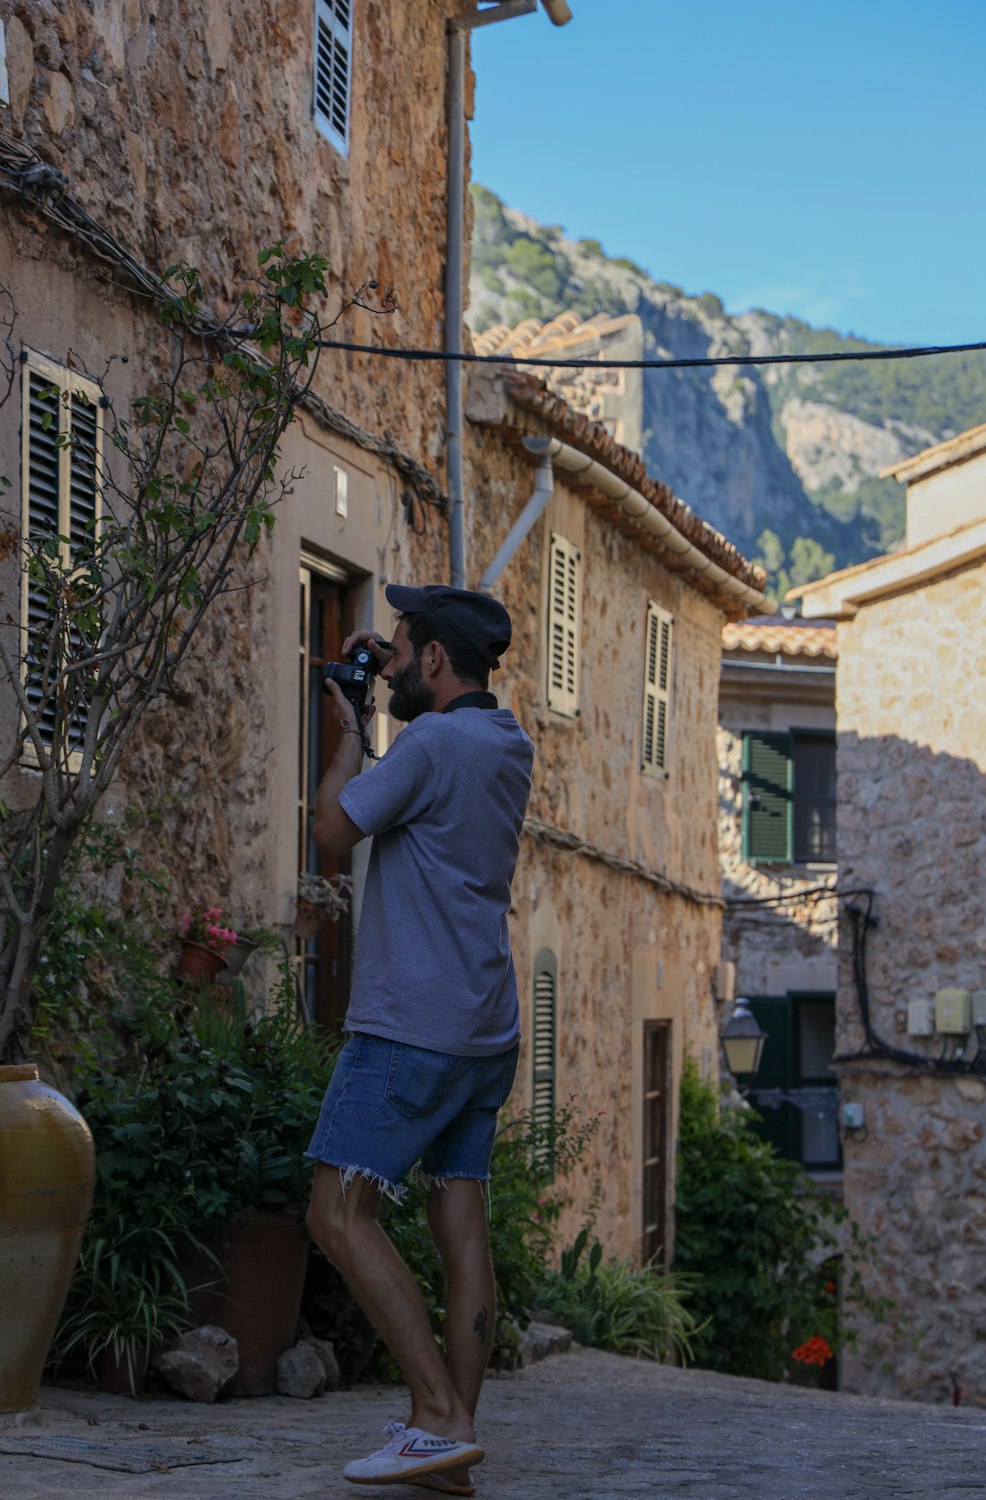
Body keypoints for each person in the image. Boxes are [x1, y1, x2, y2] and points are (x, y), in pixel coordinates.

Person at [305, 583, 534, 1493]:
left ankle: (434, 1414)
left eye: (402, 649)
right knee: (462, 1229)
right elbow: (422, 790)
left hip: (409, 1029)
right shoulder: (503, 743)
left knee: (337, 1212)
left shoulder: (430, 744)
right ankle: (452, 1452)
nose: (391, 661)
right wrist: (383, 685)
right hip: (485, 1029)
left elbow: (331, 830)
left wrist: (348, 729)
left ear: (435, 659)